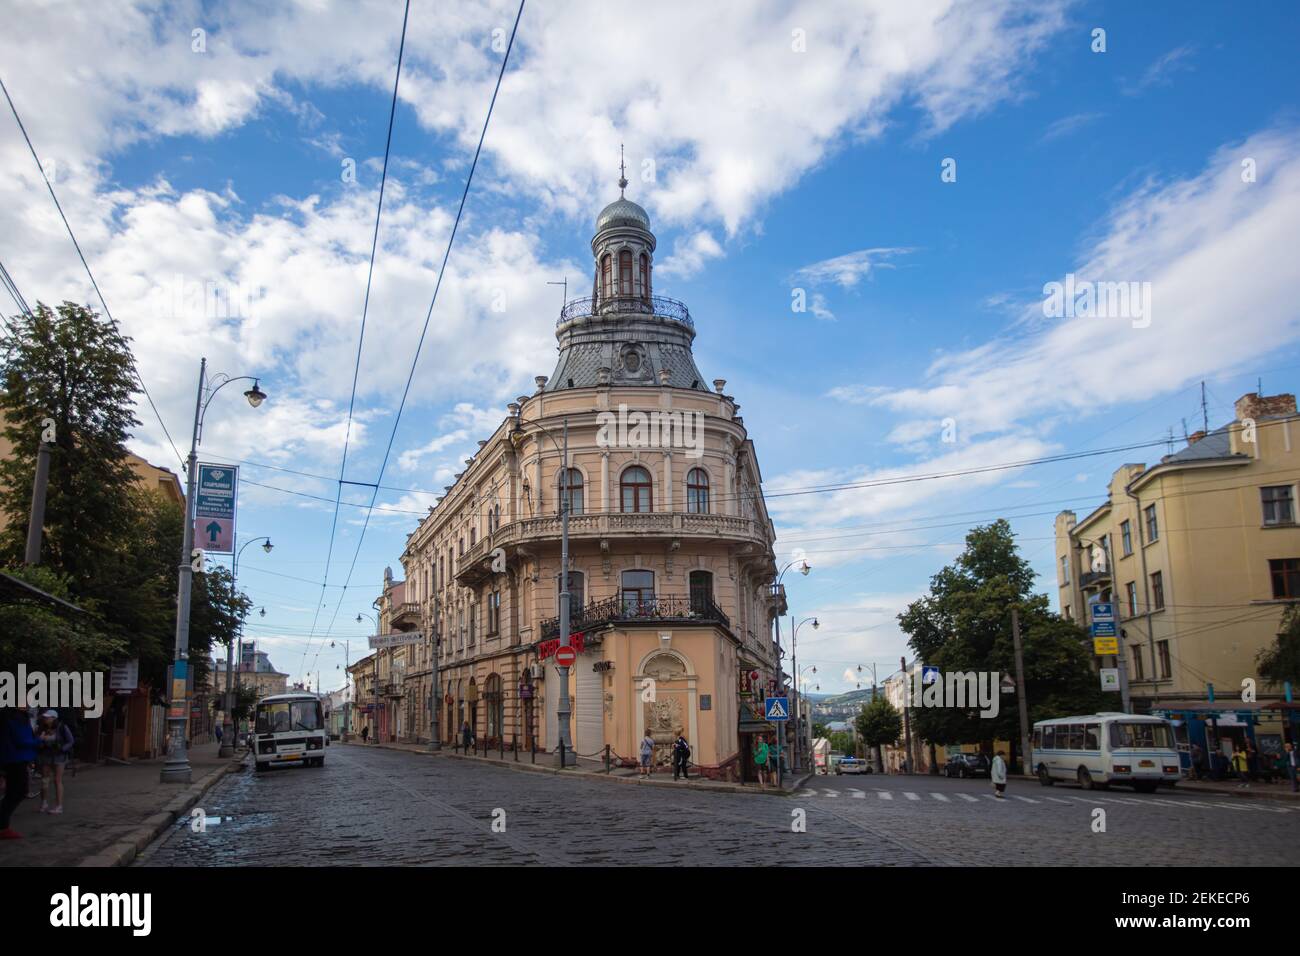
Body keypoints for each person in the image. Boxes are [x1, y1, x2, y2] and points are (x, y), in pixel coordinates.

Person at [0, 708, 38, 838]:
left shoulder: (9, 716)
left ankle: (3, 825)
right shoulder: (16, 718)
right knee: (18, 792)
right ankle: (2, 826)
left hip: (10, 758)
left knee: (13, 792)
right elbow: (22, 740)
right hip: (16, 759)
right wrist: (40, 740)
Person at [35, 710, 74, 815]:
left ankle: (59, 806)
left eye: (48, 717)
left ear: (54, 718)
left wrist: (62, 749)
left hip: (59, 756)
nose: (45, 719)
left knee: (57, 780)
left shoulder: (62, 727)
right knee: (44, 780)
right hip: (46, 756)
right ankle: (44, 803)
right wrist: (40, 740)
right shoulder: (41, 728)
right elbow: (37, 741)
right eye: (45, 717)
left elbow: (70, 741)